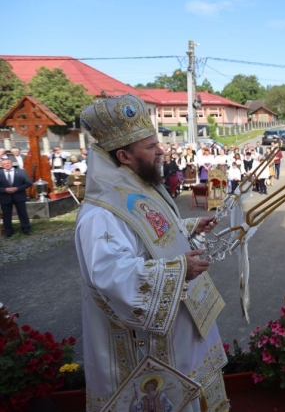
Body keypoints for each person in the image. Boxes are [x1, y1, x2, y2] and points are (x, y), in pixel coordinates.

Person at [75, 94, 227, 411]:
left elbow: (153, 233)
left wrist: (188, 227)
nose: (161, 151)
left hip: (182, 334)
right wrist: (177, 270)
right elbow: (110, 276)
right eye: (150, 146)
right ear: (124, 156)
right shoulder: (100, 214)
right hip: (149, 351)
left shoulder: (137, 185)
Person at [1, 158, 32, 237]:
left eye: (8, 163)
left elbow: (28, 183)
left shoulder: (21, 172)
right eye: (4, 164)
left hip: (19, 195)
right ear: (1, 165)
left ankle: (26, 229)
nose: (7, 165)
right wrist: (4, 189)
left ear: (11, 163)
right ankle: (8, 231)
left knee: (23, 213)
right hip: (5, 197)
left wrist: (18, 188)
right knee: (6, 215)